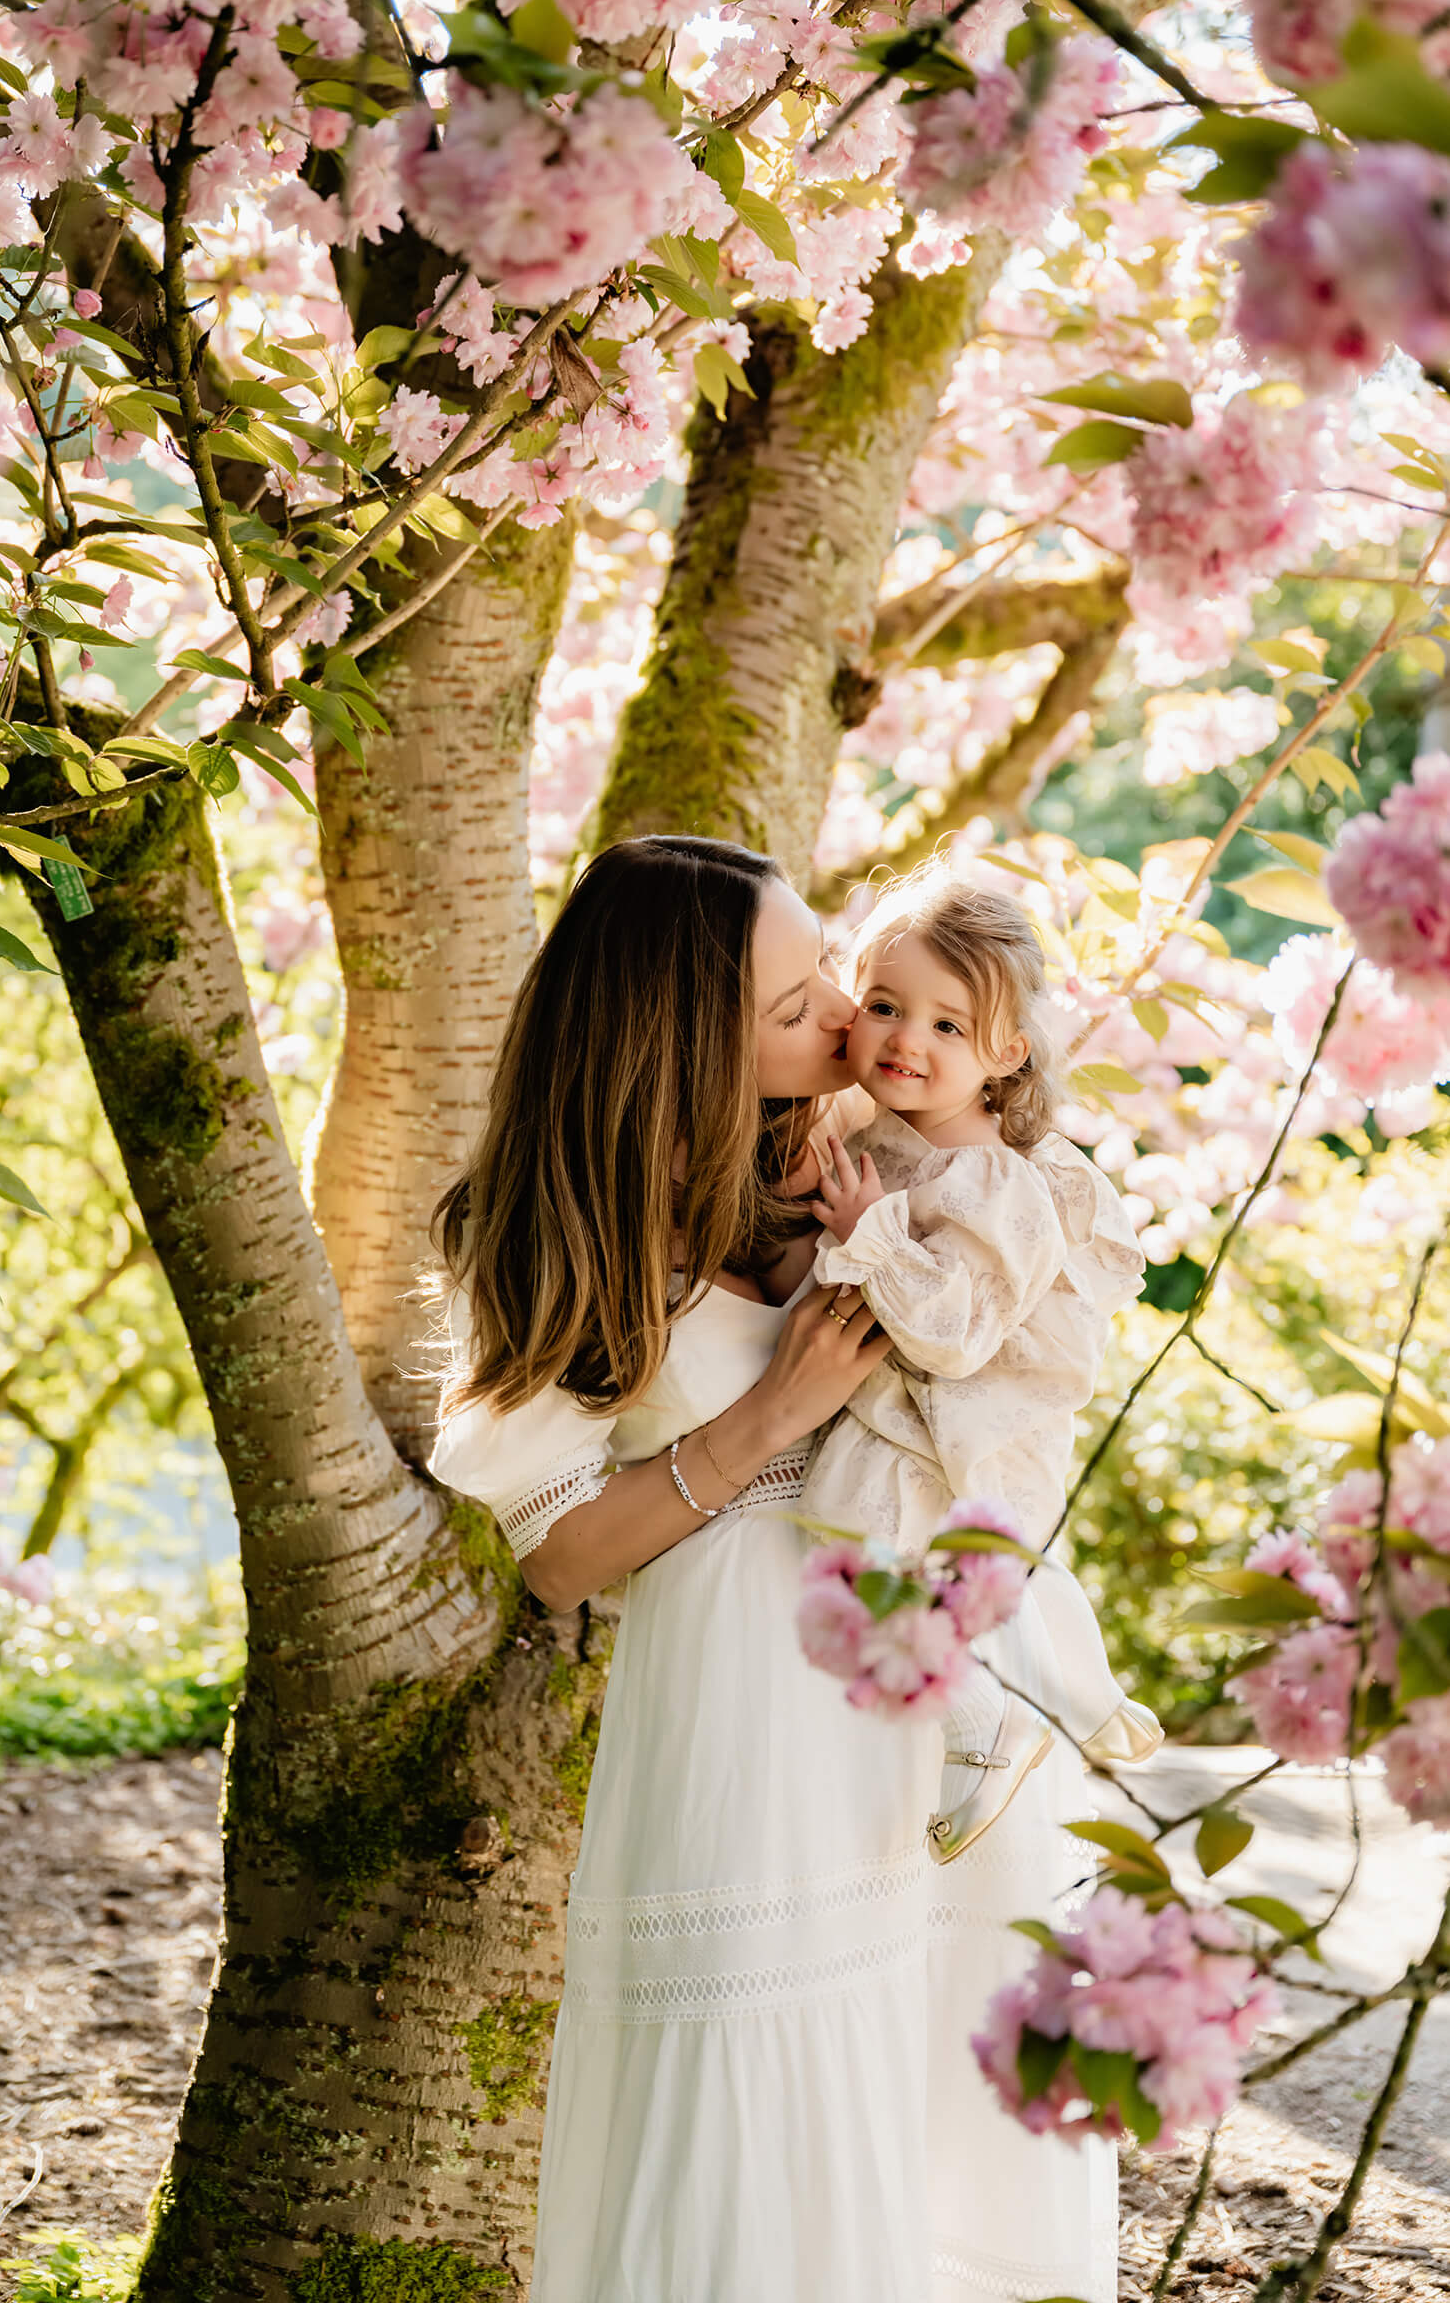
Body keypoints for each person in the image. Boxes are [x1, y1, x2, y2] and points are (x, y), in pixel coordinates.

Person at [431, 834, 1118, 2303]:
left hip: (909, 1686)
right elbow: (555, 1557)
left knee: (944, 2067)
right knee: (745, 2094)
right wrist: (766, 1417)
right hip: (735, 1718)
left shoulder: (844, 1161)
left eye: (836, 975)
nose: (847, 1018)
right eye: (802, 992)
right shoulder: (553, 1222)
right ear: (685, 1031)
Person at [793, 868, 1163, 1864]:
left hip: (959, 1426)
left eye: (949, 1027)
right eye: (885, 1006)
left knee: (854, 1537)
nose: (907, 1039)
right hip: (909, 1414)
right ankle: (1059, 1670)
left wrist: (873, 1238)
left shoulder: (995, 1180)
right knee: (868, 1543)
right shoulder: (890, 1139)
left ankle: (991, 1723)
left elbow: (955, 1329)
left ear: (1007, 1053)